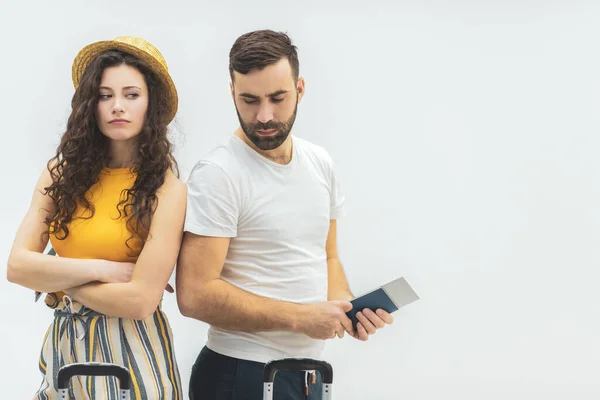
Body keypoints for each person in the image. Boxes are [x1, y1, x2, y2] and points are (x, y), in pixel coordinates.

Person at [176, 29, 394, 399]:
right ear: (231, 92)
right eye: (249, 100)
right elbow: (195, 295)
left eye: (278, 98)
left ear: (300, 89)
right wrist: (301, 317)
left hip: (307, 376)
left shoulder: (319, 163)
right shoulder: (219, 173)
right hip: (239, 373)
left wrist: (346, 308)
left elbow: (327, 256)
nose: (264, 116)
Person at [7, 36, 186, 399]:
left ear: (151, 104)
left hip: (135, 352)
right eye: (105, 95)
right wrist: (104, 270)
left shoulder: (167, 189)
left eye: (131, 95)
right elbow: (17, 267)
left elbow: (140, 302)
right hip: (65, 347)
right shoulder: (60, 174)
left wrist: (59, 283)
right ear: (91, 104)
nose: (117, 106)